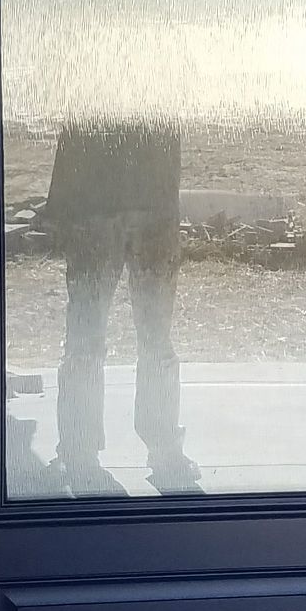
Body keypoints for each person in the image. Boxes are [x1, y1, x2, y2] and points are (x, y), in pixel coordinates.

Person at [41, 121, 201, 497]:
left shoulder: (111, 68)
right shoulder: (145, 68)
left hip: (117, 201)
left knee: (101, 338)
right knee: (134, 338)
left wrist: (59, 206)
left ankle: (90, 449)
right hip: (124, 200)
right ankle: (153, 448)